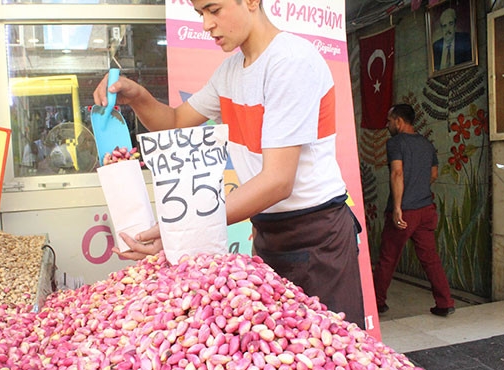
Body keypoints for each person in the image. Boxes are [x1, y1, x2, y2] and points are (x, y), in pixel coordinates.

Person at [93, 0, 365, 328]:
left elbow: (278, 180)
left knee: (330, 356)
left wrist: (183, 229)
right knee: (280, 357)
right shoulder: (230, 72)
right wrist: (138, 96)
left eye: (214, 9)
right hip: (269, 231)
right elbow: (177, 121)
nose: (206, 24)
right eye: (200, 14)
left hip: (317, 236)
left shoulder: (290, 61)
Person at [372, 104, 455, 317]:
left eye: (389, 121)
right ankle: (445, 302)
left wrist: (398, 207)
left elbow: (397, 173)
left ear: (399, 121)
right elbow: (434, 174)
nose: (387, 125)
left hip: (405, 211)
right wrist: (419, 189)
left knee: (388, 257)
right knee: (430, 258)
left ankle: (377, 303)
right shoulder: (427, 144)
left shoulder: (395, 143)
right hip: (426, 209)